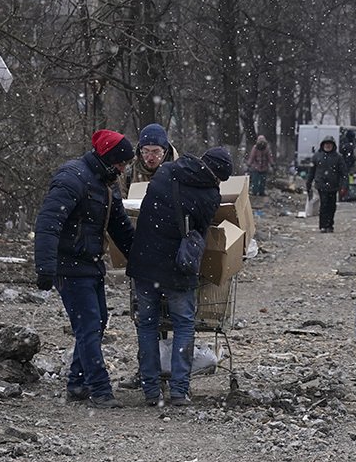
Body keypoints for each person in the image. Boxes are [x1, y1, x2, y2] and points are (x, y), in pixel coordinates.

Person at [33, 130, 136, 409]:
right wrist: (45, 266)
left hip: (90, 263)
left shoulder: (106, 183)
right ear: (110, 159)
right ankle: (99, 389)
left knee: (97, 320)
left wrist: (139, 261)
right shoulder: (72, 178)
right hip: (69, 265)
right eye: (121, 163)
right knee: (89, 324)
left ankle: (77, 383)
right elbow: (48, 222)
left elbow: (120, 228)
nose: (124, 169)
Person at [127, 146, 232, 407]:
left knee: (148, 325)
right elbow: (200, 232)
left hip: (144, 263)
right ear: (217, 175)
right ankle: (178, 390)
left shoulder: (164, 172)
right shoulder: (209, 195)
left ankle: (151, 390)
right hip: (177, 268)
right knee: (184, 324)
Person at [123, 123, 178, 196]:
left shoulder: (178, 172)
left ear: (165, 151)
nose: (150, 157)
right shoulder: (128, 172)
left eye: (156, 152)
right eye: (146, 152)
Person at [306, 135, 346, 232]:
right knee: (324, 204)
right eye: (326, 144)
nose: (328, 146)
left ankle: (330, 225)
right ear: (323, 145)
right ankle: (323, 225)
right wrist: (308, 183)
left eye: (330, 144)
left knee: (331, 206)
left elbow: (343, 173)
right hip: (321, 185)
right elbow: (311, 171)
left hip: (333, 185)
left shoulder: (338, 157)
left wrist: (344, 186)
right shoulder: (317, 156)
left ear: (333, 145)